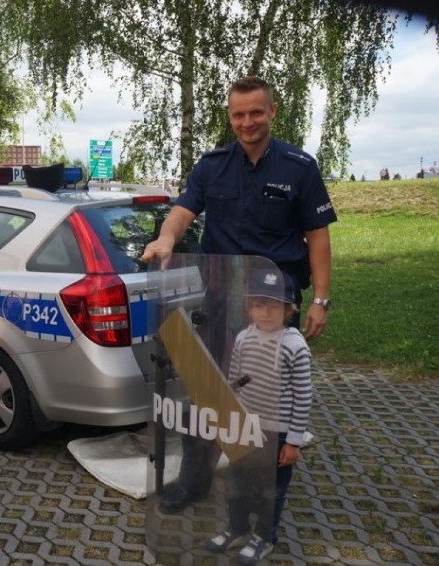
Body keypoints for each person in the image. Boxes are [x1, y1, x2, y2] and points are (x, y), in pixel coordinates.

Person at [142, 76, 336, 513]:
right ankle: (194, 483)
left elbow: (317, 236)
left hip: (274, 308)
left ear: (272, 113)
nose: (246, 122)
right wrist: (168, 238)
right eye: (238, 114)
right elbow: (183, 210)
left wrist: (321, 300)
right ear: (229, 116)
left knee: (267, 399)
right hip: (221, 301)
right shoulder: (211, 166)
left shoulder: (299, 167)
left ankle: (260, 494)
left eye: (255, 112)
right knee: (208, 393)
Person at [205, 269, 312, 564]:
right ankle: (237, 528)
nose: (266, 313)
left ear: (289, 310)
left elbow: (303, 396)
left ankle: (264, 537)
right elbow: (236, 381)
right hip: (246, 427)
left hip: (276, 434)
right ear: (249, 307)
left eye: (275, 306)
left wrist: (293, 441)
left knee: (270, 491)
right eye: (259, 304)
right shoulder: (243, 338)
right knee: (237, 483)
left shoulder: (294, 345)